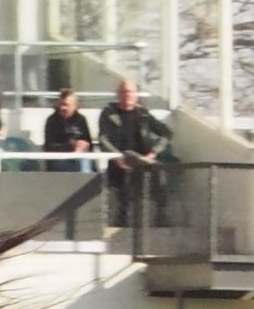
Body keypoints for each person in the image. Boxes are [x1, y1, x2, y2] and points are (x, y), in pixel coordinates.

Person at [97, 78, 169, 225]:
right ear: (118, 94)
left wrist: (154, 152)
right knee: (126, 174)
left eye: (130, 92)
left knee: (160, 173)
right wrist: (117, 156)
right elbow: (103, 139)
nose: (127, 95)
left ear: (136, 94)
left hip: (143, 161)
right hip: (119, 161)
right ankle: (121, 218)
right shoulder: (109, 114)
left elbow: (167, 133)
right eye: (124, 92)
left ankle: (161, 216)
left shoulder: (143, 114)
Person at [41, 88, 93, 169]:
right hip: (58, 159)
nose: (62, 108)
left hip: (80, 158)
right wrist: (72, 145)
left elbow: (89, 142)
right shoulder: (52, 121)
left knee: (87, 162)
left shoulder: (81, 120)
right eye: (61, 104)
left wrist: (84, 145)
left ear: (75, 106)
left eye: (66, 105)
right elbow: (49, 146)